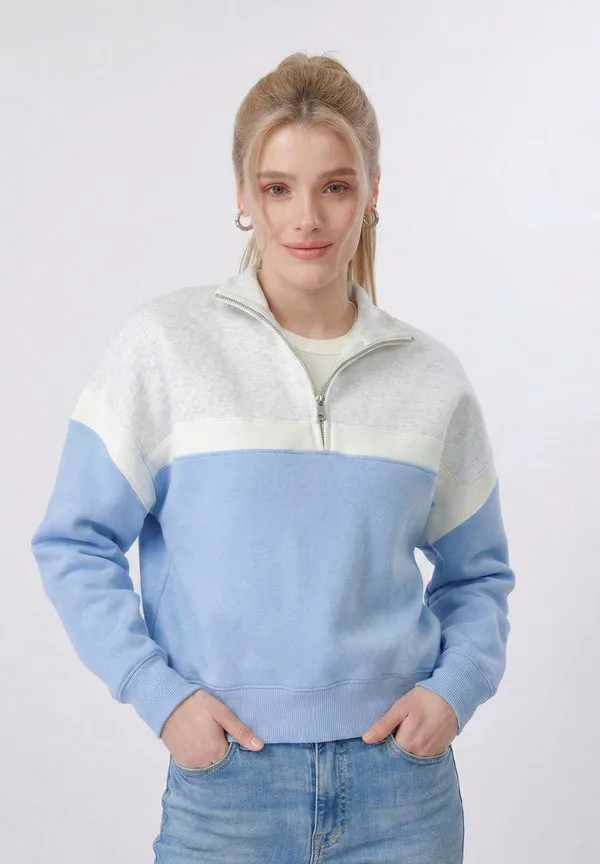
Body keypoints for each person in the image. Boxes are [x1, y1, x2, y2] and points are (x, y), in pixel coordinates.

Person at [30, 52, 515, 863]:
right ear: (243, 197)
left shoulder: (430, 378)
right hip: (229, 788)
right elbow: (73, 542)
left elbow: (480, 576)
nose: (306, 219)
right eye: (278, 188)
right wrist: (160, 696)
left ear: (372, 193)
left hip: (403, 793)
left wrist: (451, 693)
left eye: (335, 186)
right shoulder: (166, 347)